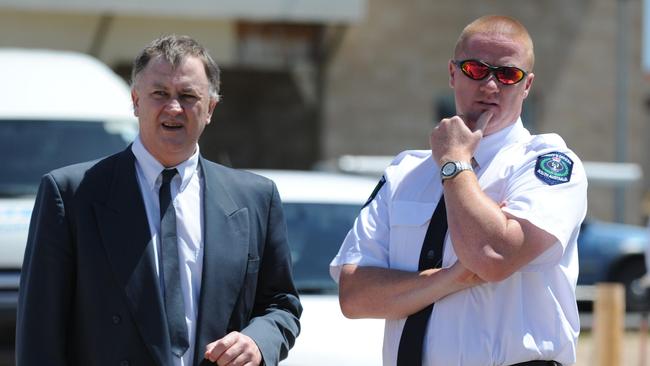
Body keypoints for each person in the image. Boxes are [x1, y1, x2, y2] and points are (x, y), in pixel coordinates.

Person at [16, 35, 301, 366]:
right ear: (136, 101)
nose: (174, 108)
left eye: (188, 96)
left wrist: (257, 340)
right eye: (159, 94)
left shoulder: (255, 198)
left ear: (210, 108)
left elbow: (281, 303)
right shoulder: (70, 194)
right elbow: (40, 331)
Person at [330, 15, 587, 366]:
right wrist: (449, 279)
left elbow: (494, 258)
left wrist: (454, 163)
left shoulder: (546, 163)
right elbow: (355, 296)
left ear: (526, 86)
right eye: (476, 70)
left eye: (508, 75)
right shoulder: (404, 171)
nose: (491, 86)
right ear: (453, 74)